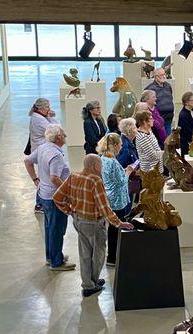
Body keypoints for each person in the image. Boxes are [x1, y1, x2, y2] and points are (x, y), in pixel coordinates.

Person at [53, 154, 134, 297]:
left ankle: (88, 282)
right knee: (98, 254)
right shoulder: (96, 180)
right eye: (100, 165)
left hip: (79, 220)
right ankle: (91, 284)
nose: (102, 168)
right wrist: (119, 223)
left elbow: (57, 197)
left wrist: (70, 211)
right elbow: (104, 207)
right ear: (95, 166)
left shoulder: (73, 176)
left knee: (85, 253)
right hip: (94, 224)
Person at [24, 124, 75, 271]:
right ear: (58, 137)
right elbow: (54, 178)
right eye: (64, 135)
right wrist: (67, 192)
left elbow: (27, 161)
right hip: (54, 197)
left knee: (49, 227)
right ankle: (56, 262)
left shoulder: (43, 147)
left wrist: (36, 179)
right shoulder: (56, 155)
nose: (65, 137)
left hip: (44, 194)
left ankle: (51, 256)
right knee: (57, 228)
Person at [97, 134, 133, 267]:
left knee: (112, 228)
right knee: (116, 228)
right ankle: (113, 257)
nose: (121, 147)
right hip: (117, 199)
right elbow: (121, 182)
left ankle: (113, 255)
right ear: (115, 145)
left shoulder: (103, 158)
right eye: (120, 144)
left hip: (110, 196)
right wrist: (128, 172)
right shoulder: (112, 161)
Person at [27, 97, 59, 213]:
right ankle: (40, 204)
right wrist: (51, 117)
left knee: (44, 176)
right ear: (40, 108)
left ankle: (41, 203)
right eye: (47, 107)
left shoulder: (39, 117)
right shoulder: (39, 119)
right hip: (42, 151)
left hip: (41, 150)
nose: (49, 109)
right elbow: (56, 130)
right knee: (44, 178)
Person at [145, 67, 174, 135]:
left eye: (164, 74)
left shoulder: (168, 85)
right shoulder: (150, 89)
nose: (164, 76)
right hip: (157, 122)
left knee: (167, 141)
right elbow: (145, 104)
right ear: (155, 77)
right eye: (161, 75)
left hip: (168, 120)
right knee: (160, 141)